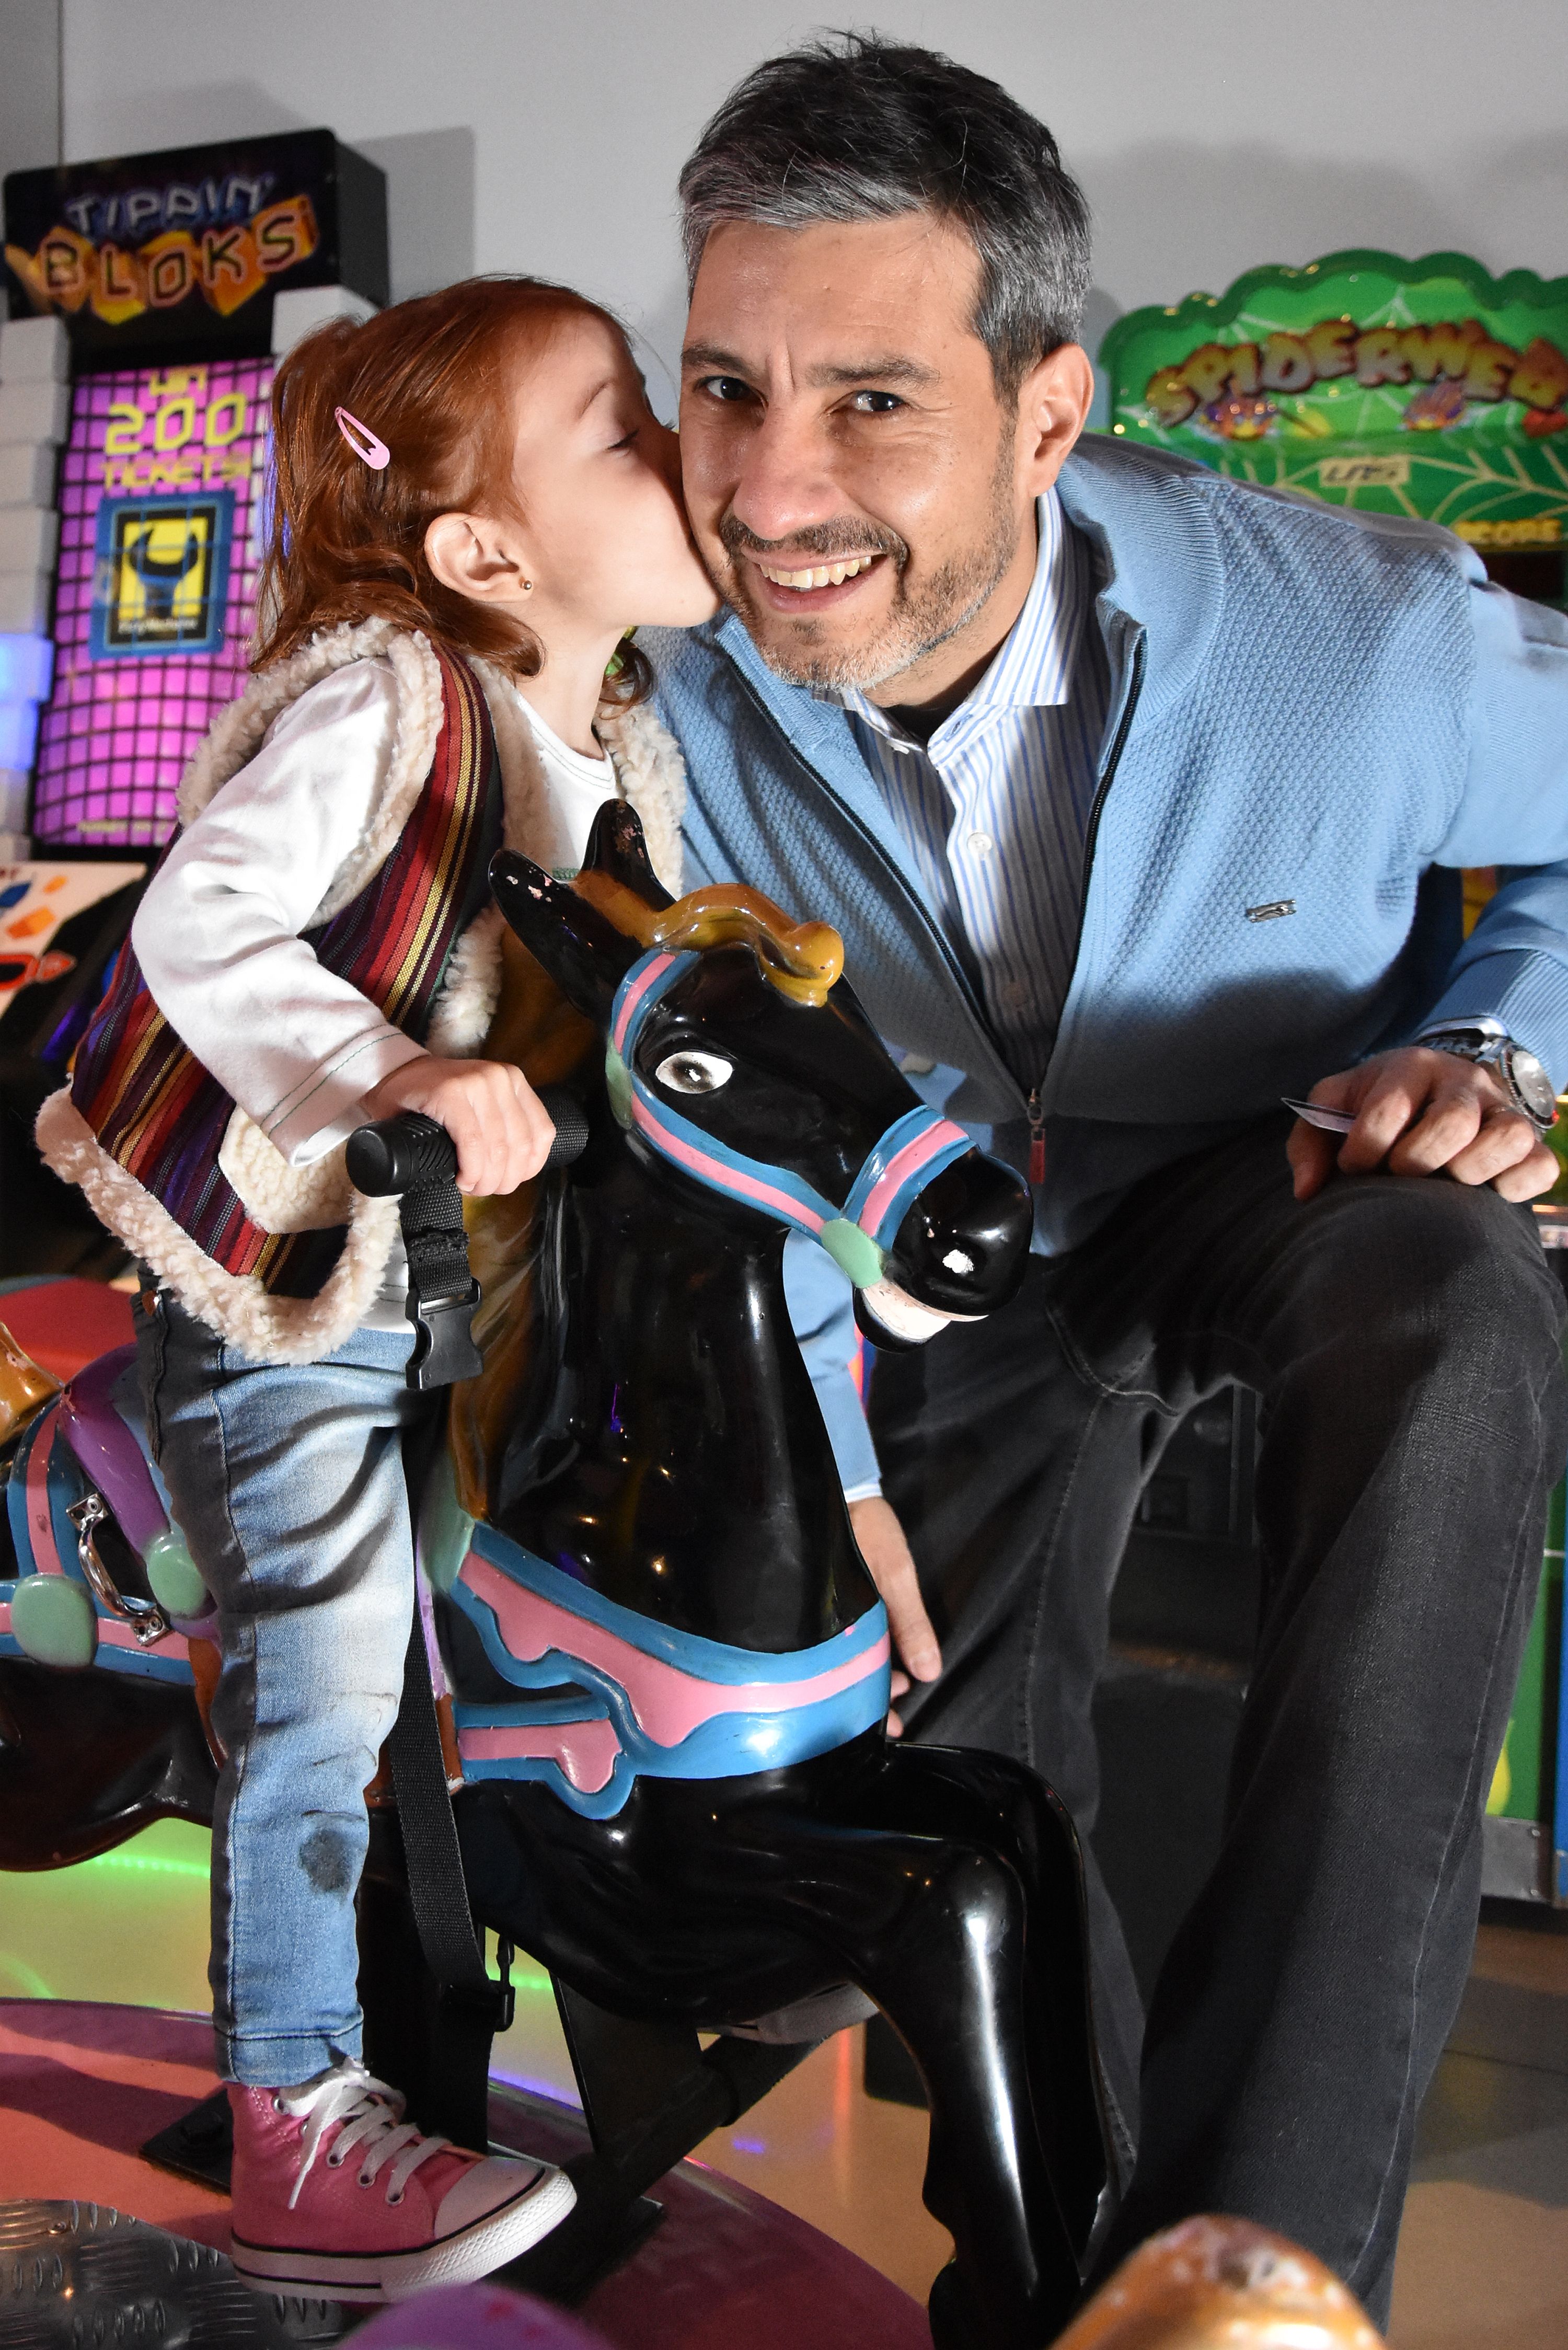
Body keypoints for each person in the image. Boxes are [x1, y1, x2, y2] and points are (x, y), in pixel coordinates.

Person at [642, 32, 1568, 2324]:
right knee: (962, 1802)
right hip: (918, 1240)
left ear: (1048, 415)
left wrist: (1489, 1043)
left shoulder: (1364, 636)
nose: (769, 484)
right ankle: (1043, 2286)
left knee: (1458, 1302)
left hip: (1279, 1163)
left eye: (872, 400)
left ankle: (1259, 2269)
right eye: (726, 388)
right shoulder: (651, 664)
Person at [36, 276, 718, 2299]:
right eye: (620, 428)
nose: (675, 452)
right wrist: (391, 1072)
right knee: (329, 1673)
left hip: (473, 1305)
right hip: (296, 1294)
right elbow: (199, 915)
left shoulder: (623, 745)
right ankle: (295, 2119)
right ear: (485, 553)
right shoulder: (391, 702)